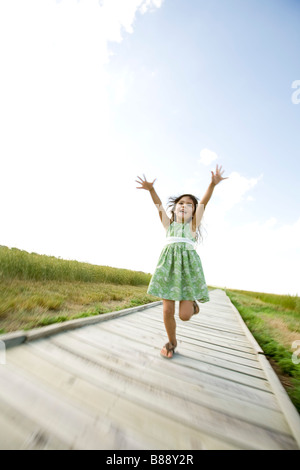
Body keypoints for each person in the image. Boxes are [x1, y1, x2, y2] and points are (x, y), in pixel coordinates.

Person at [136, 165, 228, 358]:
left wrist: (212, 184)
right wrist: (151, 190)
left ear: (194, 212)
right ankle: (171, 342)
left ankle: (193, 306)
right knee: (167, 310)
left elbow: (204, 202)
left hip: (187, 273)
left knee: (184, 316)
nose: (185, 205)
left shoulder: (193, 226)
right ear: (175, 208)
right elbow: (158, 205)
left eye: (189, 204)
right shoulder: (168, 225)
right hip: (167, 270)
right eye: (181, 203)